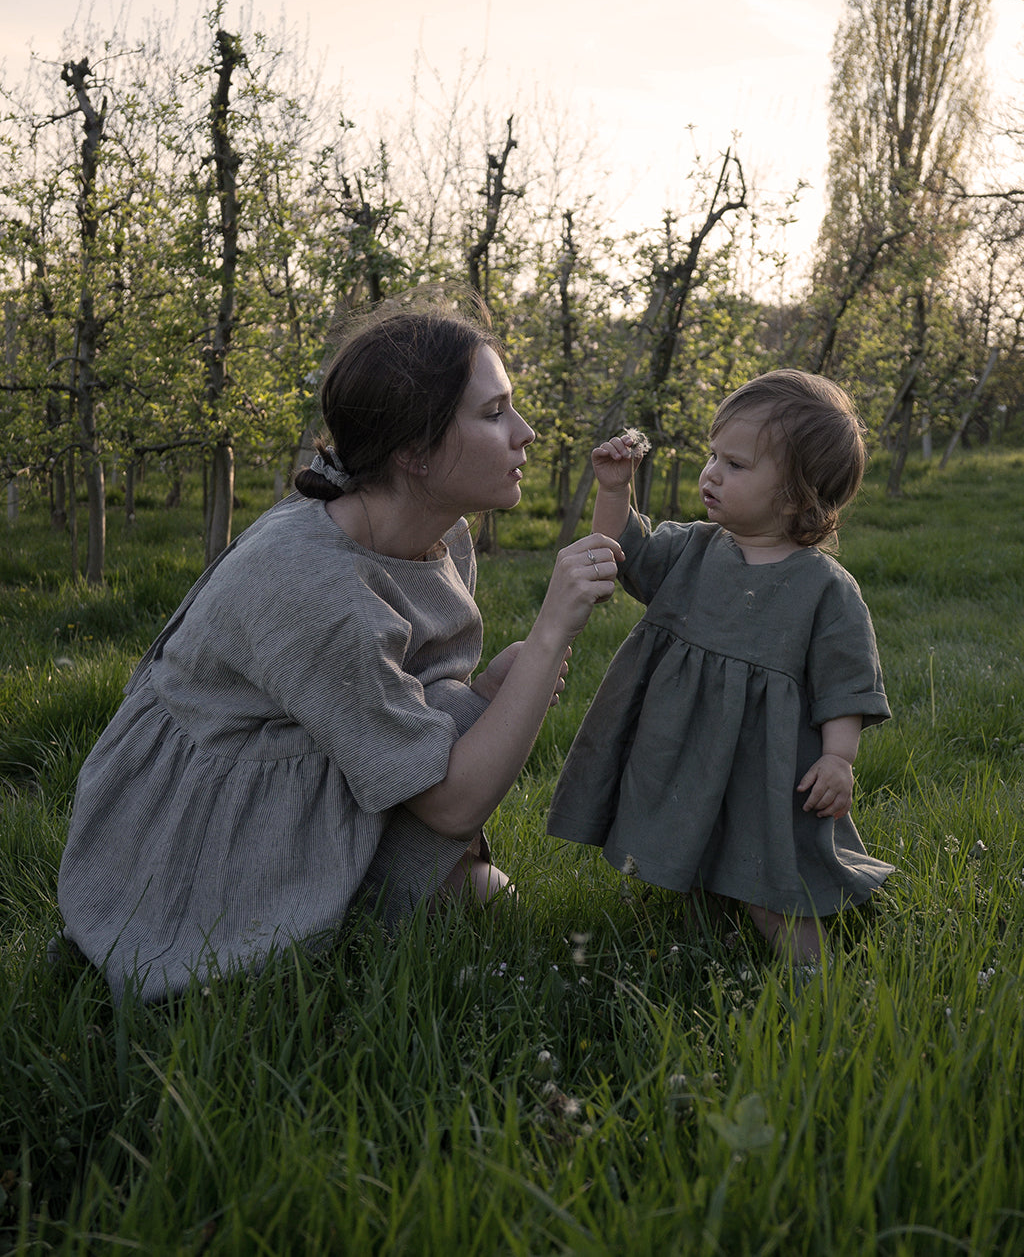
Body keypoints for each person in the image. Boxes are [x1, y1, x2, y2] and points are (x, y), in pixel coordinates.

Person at [53, 296, 623, 1002]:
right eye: (493, 412)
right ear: (413, 453)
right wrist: (548, 637)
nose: (527, 433)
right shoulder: (318, 585)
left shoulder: (436, 532)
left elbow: (400, 690)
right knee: (481, 875)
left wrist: (483, 694)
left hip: (295, 763)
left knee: (466, 735)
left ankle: (385, 890)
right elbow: (452, 805)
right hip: (184, 841)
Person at [546, 369, 893, 963]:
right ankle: (683, 932)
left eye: (735, 465)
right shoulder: (690, 549)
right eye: (713, 456)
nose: (711, 473)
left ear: (795, 495)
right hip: (679, 746)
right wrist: (613, 492)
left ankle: (817, 973)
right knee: (671, 835)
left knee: (764, 873)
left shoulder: (824, 588)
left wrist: (838, 758)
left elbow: (846, 685)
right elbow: (619, 556)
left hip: (763, 764)